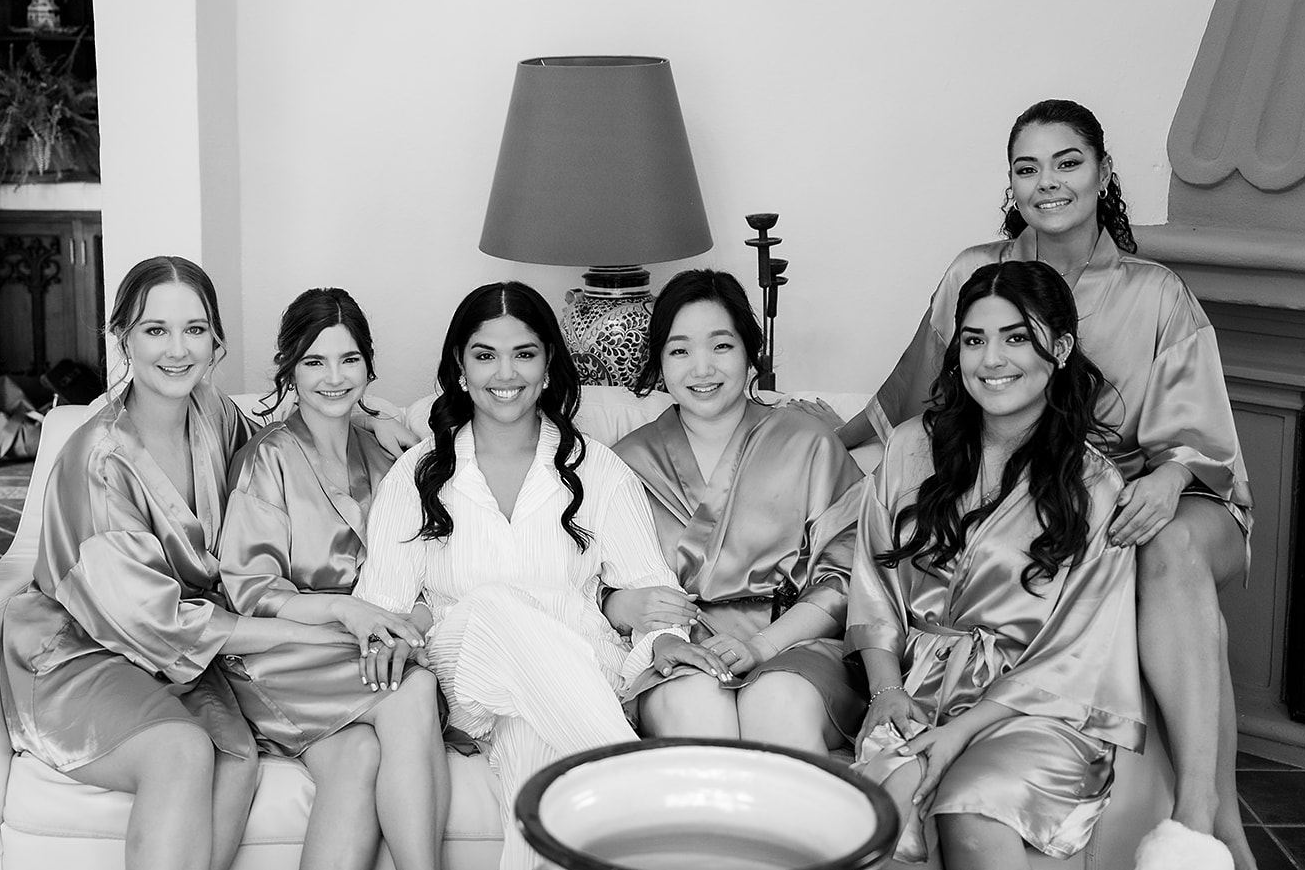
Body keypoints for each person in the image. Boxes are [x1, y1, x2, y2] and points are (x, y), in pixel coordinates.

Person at [840, 99, 1253, 869]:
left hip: (1154, 487)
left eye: (1067, 162)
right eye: (1027, 167)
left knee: (1164, 543)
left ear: (1103, 172)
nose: (1047, 182)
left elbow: (1201, 433)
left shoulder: (1154, 291)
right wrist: (822, 445)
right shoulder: (975, 271)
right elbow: (912, 393)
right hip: (1004, 485)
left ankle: (1205, 815)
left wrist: (1166, 477)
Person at [354, 281, 718, 870]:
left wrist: (666, 639)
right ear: (459, 367)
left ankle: (618, 798)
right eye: (484, 354)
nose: (506, 372)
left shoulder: (597, 469)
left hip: (572, 680)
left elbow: (654, 595)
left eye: (524, 353)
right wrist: (393, 638)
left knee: (543, 795)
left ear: (549, 363)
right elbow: (382, 609)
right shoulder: (417, 474)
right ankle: (642, 791)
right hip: (465, 676)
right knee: (497, 604)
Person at [0, 257, 329, 870]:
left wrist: (370, 419)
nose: (177, 349)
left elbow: (276, 457)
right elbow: (148, 618)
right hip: (82, 649)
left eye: (195, 329)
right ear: (122, 337)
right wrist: (296, 627)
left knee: (233, 758)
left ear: (217, 341)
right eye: (155, 330)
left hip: (176, 653)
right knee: (180, 750)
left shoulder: (214, 415)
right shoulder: (98, 459)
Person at [850, 259, 1142, 868]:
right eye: (975, 340)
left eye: (1016, 337)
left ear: (1059, 348)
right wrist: (886, 690)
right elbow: (873, 584)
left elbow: (1081, 650)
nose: (992, 360)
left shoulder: (1095, 485)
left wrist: (960, 733)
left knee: (971, 804)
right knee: (884, 810)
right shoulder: (909, 448)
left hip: (1035, 707)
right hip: (914, 688)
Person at [217, 288, 448, 870]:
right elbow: (253, 590)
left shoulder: (387, 454)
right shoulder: (265, 459)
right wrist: (350, 614)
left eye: (349, 360)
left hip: (365, 646)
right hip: (282, 652)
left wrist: (404, 626)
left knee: (359, 755)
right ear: (290, 370)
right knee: (414, 689)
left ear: (369, 365)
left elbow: (427, 568)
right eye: (314, 362)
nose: (334, 377)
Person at [606, 269, 866, 752]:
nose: (701, 369)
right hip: (678, 651)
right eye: (680, 350)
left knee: (778, 702)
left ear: (751, 353)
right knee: (696, 705)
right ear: (660, 361)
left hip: (797, 646)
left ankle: (801, 830)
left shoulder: (810, 444)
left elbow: (849, 576)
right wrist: (619, 604)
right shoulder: (622, 463)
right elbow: (587, 580)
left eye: (721, 346)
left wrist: (762, 647)